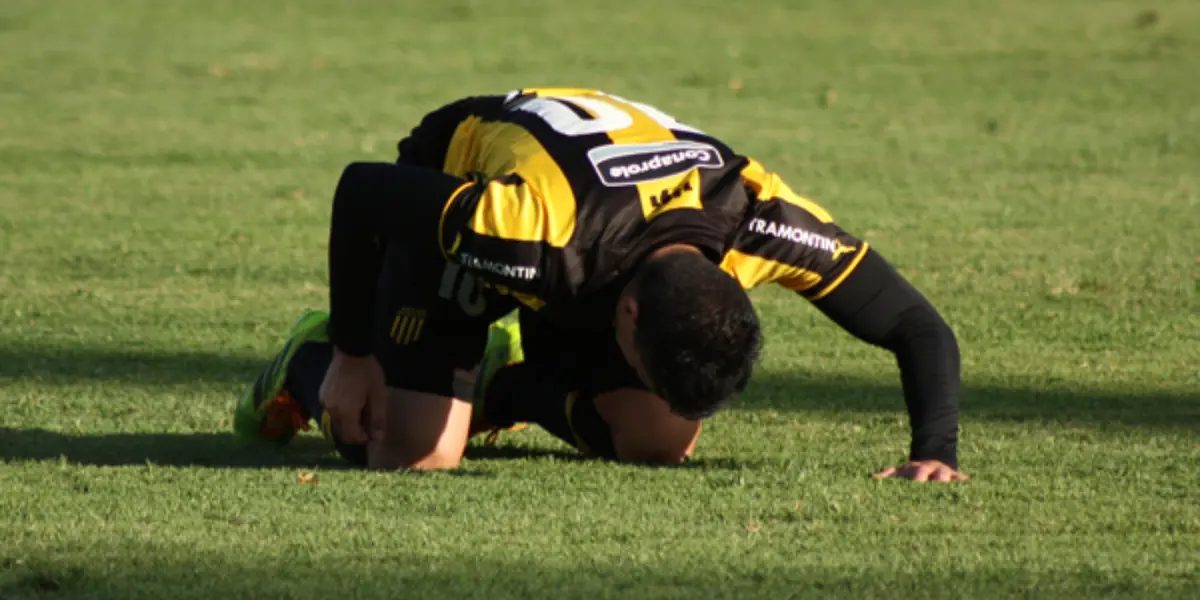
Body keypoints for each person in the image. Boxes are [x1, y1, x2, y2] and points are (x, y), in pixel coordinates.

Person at [233, 87, 968, 482]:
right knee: (418, 456)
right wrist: (358, 352)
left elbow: (918, 327)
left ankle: (498, 384)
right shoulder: (524, 232)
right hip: (460, 198)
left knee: (659, 438)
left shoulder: (758, 219)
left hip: (600, 250)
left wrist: (937, 450)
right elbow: (362, 190)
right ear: (628, 313)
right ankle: (307, 362)